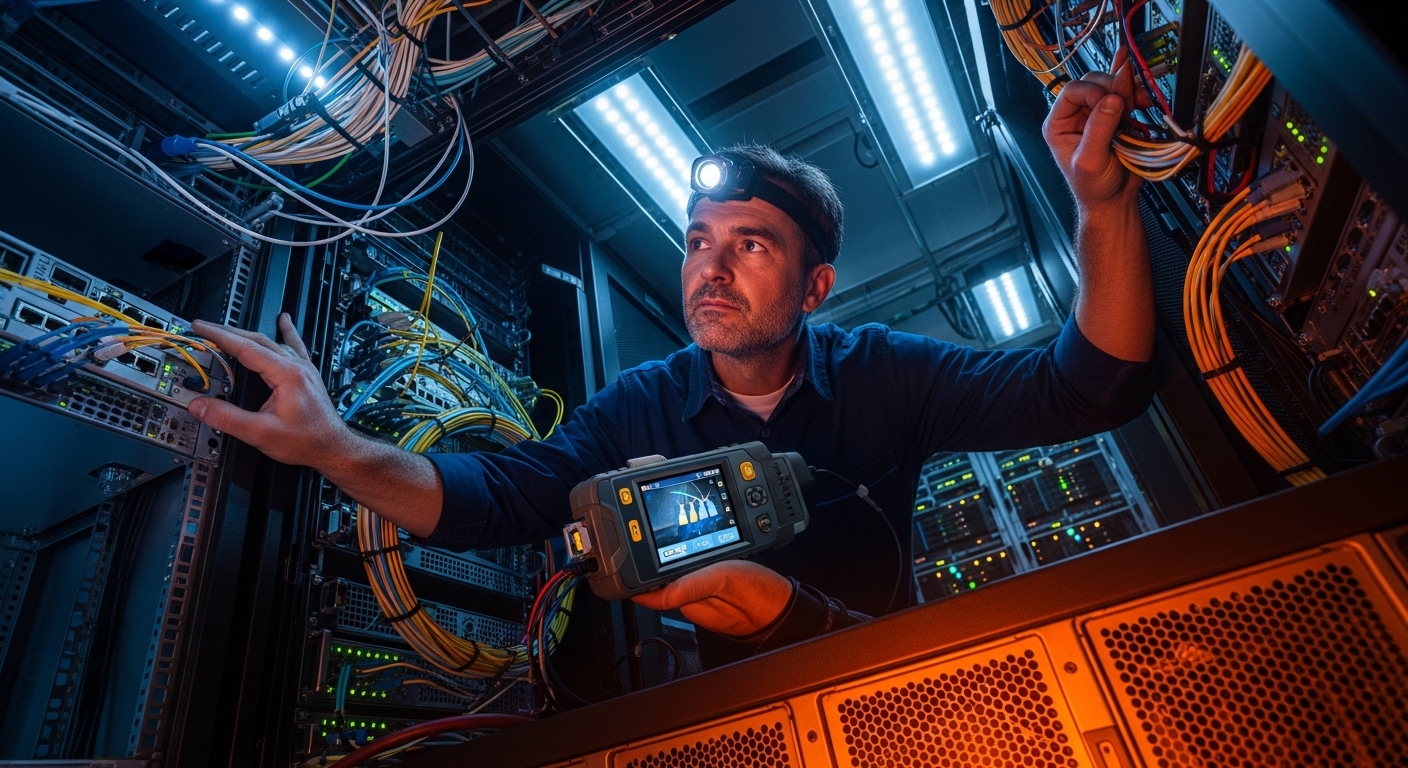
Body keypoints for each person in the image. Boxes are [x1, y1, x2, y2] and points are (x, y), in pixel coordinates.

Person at [188, 57, 1157, 668]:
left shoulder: (884, 373)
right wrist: (333, 448)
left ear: (815, 287)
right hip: (725, 710)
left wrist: (1104, 205)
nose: (711, 267)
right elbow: (496, 499)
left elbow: (1088, 386)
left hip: (886, 665)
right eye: (699, 240)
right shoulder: (639, 407)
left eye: (752, 244)